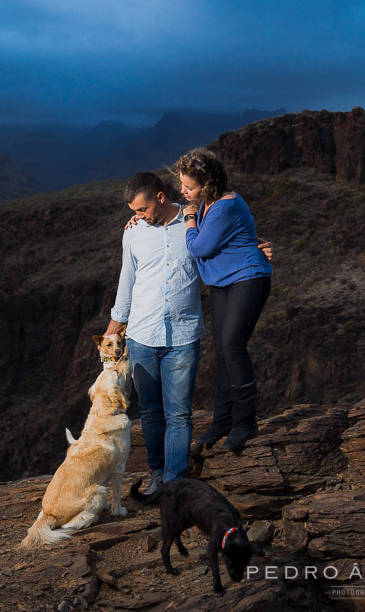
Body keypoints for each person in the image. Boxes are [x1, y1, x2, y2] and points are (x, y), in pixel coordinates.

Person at [104, 171, 202, 491]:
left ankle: (174, 485)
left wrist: (259, 248)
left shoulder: (194, 222)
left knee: (179, 414)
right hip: (142, 335)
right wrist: (112, 331)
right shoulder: (133, 233)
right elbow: (127, 283)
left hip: (183, 336)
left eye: (142, 210)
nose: (138, 217)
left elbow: (225, 246)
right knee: (149, 411)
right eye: (133, 212)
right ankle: (157, 474)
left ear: (160, 198)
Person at [177, 149, 272, 451]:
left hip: (248, 277)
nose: (183, 191)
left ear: (207, 184)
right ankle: (222, 421)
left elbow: (199, 248)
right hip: (222, 281)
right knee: (220, 351)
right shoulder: (208, 202)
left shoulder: (224, 206)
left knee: (232, 346)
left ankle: (245, 423)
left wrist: (190, 220)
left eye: (188, 187)